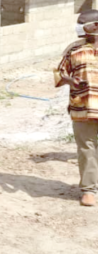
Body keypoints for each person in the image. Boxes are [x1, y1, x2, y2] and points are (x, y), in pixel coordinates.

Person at [55, 10, 98, 207]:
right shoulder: (74, 49)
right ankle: (89, 190)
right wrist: (71, 80)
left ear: (95, 25)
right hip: (82, 107)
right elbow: (59, 73)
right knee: (86, 148)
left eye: (82, 23)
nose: (78, 26)